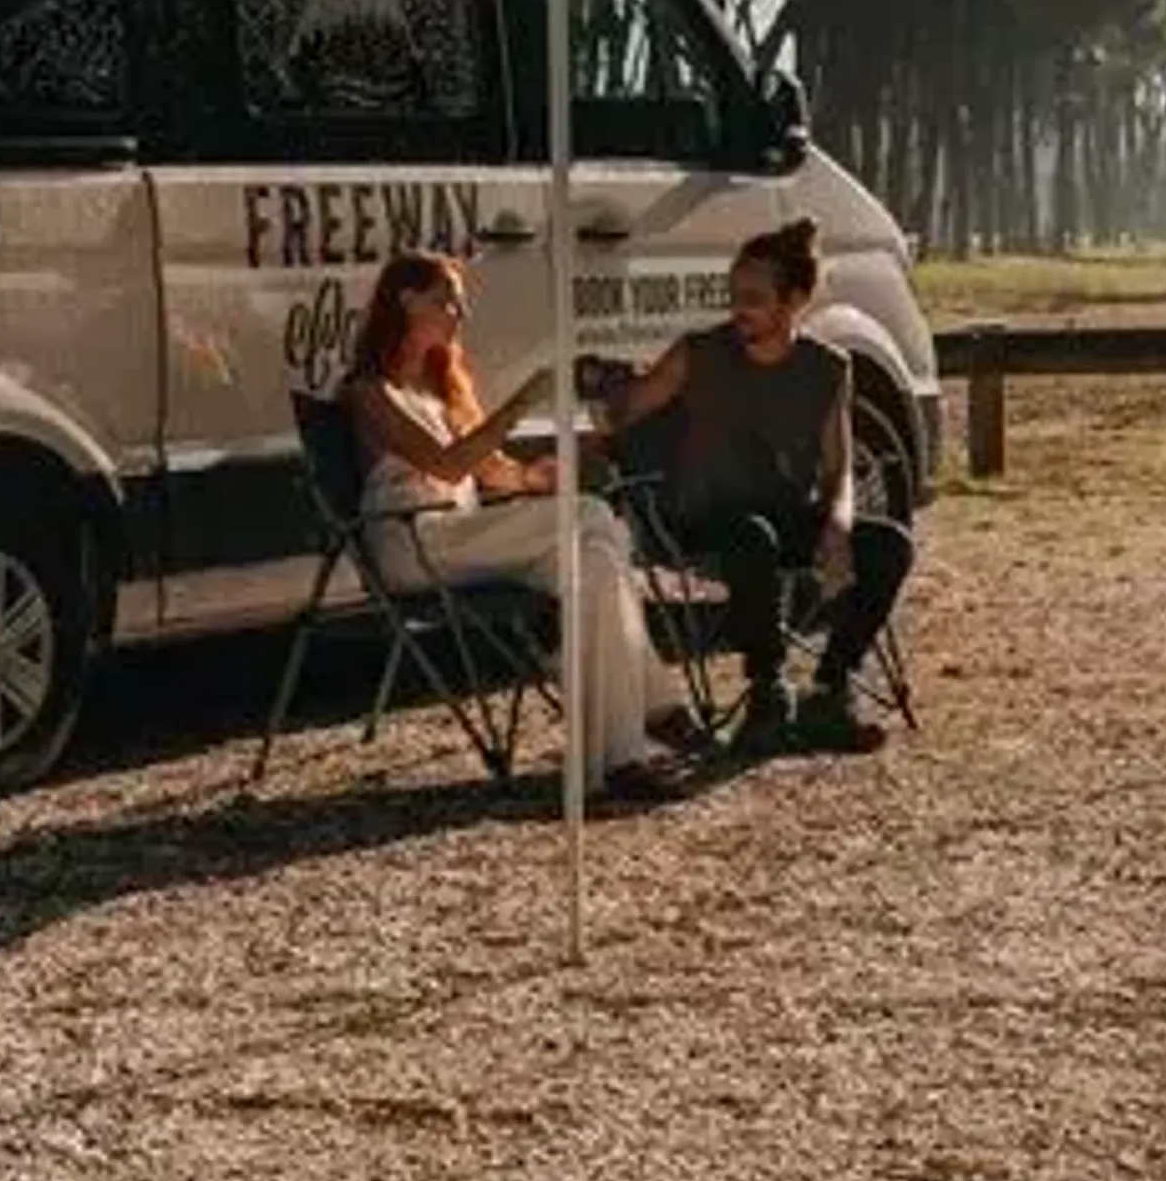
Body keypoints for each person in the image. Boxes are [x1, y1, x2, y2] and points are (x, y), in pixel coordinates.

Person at [334, 250, 686, 804]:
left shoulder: (437, 389)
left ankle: (618, 759)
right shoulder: (370, 392)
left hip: (465, 533)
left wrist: (542, 476)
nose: (460, 311)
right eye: (447, 298)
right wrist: (524, 400)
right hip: (414, 541)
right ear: (405, 300)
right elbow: (448, 466)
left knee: (594, 561)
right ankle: (659, 707)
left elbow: (493, 476)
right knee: (594, 521)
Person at [603, 215, 911, 755]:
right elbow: (625, 411)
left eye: (753, 297)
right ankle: (768, 693)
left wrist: (837, 526)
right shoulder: (699, 354)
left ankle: (830, 690)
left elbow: (838, 469)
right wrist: (610, 392)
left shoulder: (829, 367)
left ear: (793, 301)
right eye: (733, 295)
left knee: (889, 544)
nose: (737, 308)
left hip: (786, 513)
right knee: (752, 535)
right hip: (708, 516)